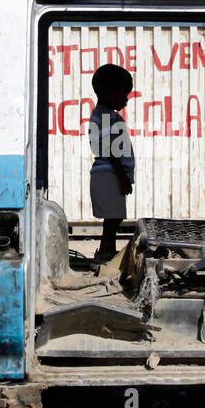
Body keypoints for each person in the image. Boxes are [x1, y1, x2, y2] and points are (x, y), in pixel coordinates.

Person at [88, 63, 135, 262]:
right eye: (124, 94)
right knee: (113, 219)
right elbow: (110, 150)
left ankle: (107, 252)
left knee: (113, 218)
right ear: (109, 93)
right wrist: (122, 177)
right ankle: (106, 254)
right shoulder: (107, 117)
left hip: (108, 174)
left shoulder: (102, 115)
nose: (126, 100)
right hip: (110, 174)